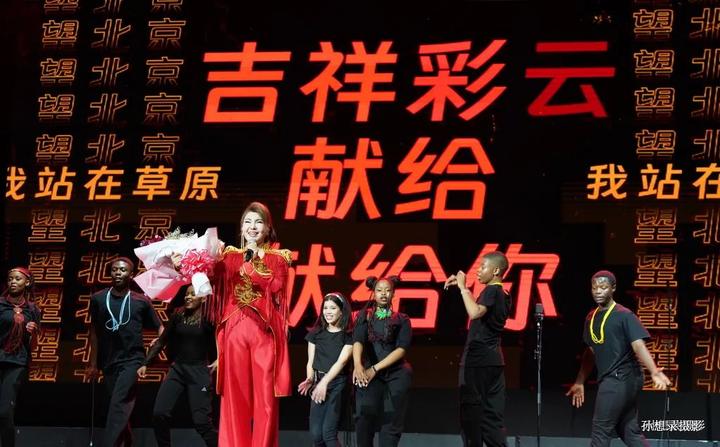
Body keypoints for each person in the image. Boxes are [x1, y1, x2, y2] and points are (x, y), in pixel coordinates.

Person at [211, 202, 292, 447]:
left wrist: (255, 262)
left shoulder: (279, 258)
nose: (252, 227)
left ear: (267, 229)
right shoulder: (228, 256)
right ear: (241, 227)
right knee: (234, 397)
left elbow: (276, 287)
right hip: (235, 329)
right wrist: (185, 263)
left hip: (264, 331)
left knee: (265, 398)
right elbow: (208, 278)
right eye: (248, 222)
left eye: (258, 222)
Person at [566, 270, 672, 447]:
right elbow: (590, 352)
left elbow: (638, 345)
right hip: (615, 379)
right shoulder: (591, 317)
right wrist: (579, 381)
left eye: (603, 287)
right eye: (594, 288)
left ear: (613, 288)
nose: (598, 291)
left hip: (621, 377)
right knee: (628, 430)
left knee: (601, 430)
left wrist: (654, 371)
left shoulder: (624, 315)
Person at [88, 257, 163, 447]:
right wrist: (93, 364)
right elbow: (94, 332)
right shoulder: (98, 298)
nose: (118, 273)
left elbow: (160, 327)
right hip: (109, 361)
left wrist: (159, 341)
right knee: (119, 406)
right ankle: (126, 442)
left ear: (131, 274)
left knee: (119, 403)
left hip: (133, 360)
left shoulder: (141, 301)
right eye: (114, 270)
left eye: (122, 270)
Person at [444, 251, 512, 447]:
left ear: (496, 270)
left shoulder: (491, 291)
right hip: (494, 362)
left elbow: (474, 312)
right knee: (492, 420)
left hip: (477, 363)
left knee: (471, 418)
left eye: (483, 267)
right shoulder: (504, 294)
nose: (478, 271)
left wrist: (463, 288)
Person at [138, 285, 218, 447]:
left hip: (200, 374)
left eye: (193, 294)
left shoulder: (209, 318)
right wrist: (146, 363)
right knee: (159, 414)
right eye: (187, 294)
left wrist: (219, 358)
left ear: (203, 298)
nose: (188, 297)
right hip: (178, 370)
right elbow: (162, 340)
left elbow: (222, 340)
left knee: (202, 422)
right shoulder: (178, 315)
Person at [352, 276, 412, 447]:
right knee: (364, 419)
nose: (383, 294)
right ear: (374, 292)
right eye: (379, 290)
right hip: (369, 374)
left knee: (391, 421)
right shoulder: (365, 316)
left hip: (396, 374)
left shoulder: (402, 319)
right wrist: (358, 365)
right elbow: (358, 340)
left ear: (393, 293)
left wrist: (375, 369)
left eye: (387, 290)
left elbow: (401, 349)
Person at [298, 292, 353, 447]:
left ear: (341, 311)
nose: (328, 312)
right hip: (318, 382)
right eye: (325, 308)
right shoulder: (316, 333)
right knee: (316, 435)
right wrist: (310, 379)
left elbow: (341, 362)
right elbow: (310, 362)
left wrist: (324, 383)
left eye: (333, 308)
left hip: (338, 384)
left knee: (328, 433)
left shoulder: (348, 335)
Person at [0, 267, 41, 447]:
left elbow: (33, 344)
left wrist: (33, 332)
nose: (13, 282)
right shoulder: (1, 305)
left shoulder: (33, 310)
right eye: (10, 279)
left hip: (16, 362)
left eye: (17, 279)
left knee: (4, 412)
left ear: (27, 282)